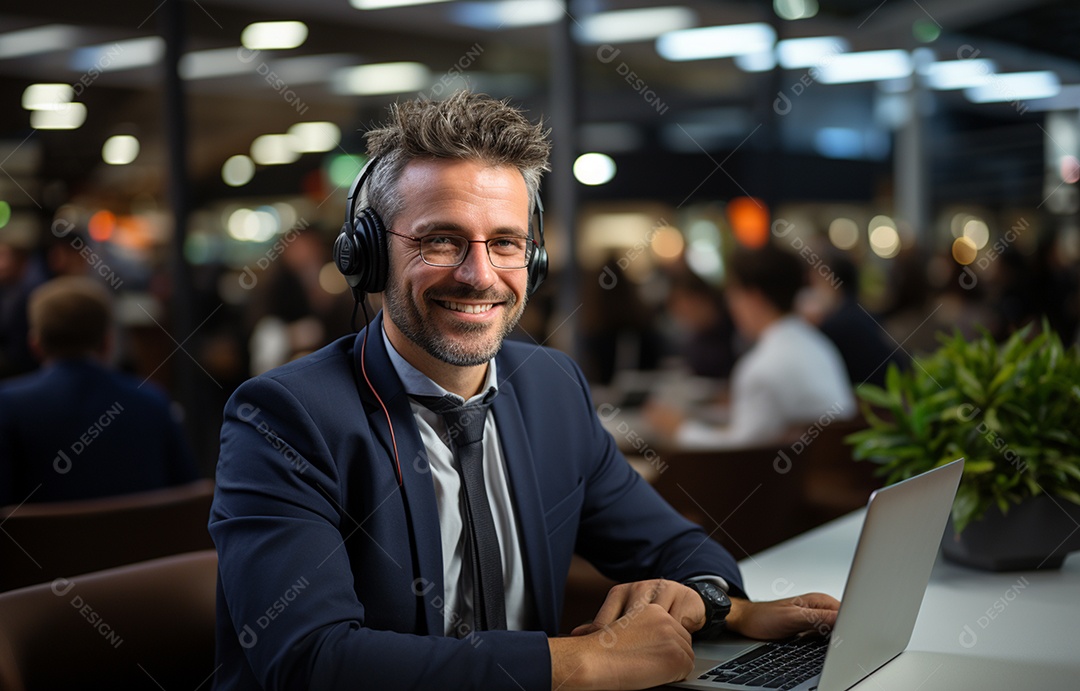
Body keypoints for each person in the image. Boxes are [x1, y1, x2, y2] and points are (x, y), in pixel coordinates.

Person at [209, 92, 838, 691]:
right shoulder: (286, 418)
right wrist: (584, 662)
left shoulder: (549, 386)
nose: (480, 275)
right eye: (440, 240)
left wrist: (718, 605)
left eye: (505, 242)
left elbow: (676, 545)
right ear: (368, 255)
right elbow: (312, 664)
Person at [0, 276, 198, 506]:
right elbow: (188, 497)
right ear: (107, 342)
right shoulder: (153, 401)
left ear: (35, 345)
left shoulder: (9, 406)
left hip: (40, 543)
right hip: (140, 541)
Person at [647, 243, 856, 448]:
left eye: (734, 294)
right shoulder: (819, 345)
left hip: (785, 479)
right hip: (831, 474)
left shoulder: (761, 366)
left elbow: (741, 454)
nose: (731, 305)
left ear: (753, 297)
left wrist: (679, 429)